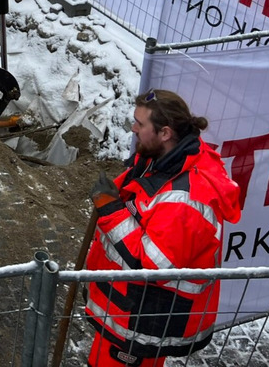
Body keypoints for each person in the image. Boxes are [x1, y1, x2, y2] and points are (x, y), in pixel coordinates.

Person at [84, 89, 242, 367]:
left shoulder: (187, 201)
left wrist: (111, 210)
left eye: (140, 124)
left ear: (166, 132)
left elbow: (152, 264)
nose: (133, 128)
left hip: (142, 320)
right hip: (125, 307)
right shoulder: (165, 157)